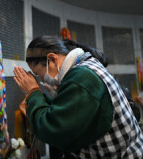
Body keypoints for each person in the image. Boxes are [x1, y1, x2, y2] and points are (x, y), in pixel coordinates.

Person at [13, 35, 143, 158]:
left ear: (52, 59)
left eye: (37, 73)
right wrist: (38, 95)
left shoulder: (81, 78)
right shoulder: (85, 68)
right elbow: (62, 112)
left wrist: (33, 91)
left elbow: (52, 130)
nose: (41, 79)